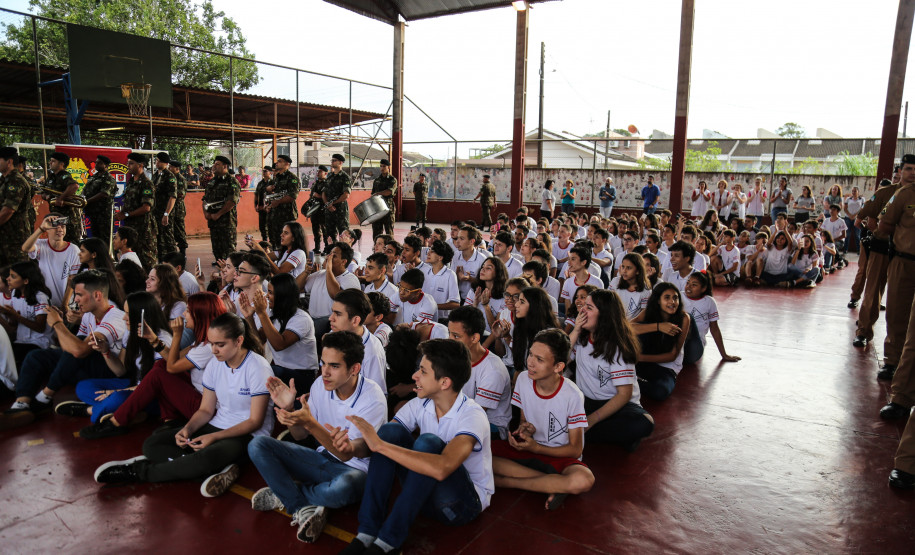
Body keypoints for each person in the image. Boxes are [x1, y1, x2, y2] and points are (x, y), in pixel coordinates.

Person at [93, 313, 274, 498]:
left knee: (205, 458)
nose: (214, 350)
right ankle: (211, 470)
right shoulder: (215, 364)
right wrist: (187, 429)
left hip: (246, 434)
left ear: (239, 341)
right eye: (211, 343)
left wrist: (213, 436)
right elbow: (205, 410)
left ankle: (140, 471)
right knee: (152, 444)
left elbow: (254, 421)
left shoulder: (257, 367)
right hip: (218, 424)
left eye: (220, 345)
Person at [339, 338, 493, 555]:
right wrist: (350, 446)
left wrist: (379, 445)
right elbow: (381, 443)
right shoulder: (420, 404)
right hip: (423, 497)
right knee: (389, 432)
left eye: (423, 371)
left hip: (460, 506)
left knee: (427, 442)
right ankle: (366, 532)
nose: (414, 377)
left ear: (445, 383)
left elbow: (442, 467)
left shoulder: (471, 415)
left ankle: (388, 543)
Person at [248, 330, 387, 543]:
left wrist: (310, 423)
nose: (325, 372)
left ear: (355, 369)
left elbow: (348, 455)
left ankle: (286, 494)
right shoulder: (320, 386)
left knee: (343, 488)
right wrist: (291, 411)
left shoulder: (372, 397)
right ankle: (303, 504)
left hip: (354, 470)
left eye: (334, 366)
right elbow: (300, 435)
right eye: (323, 363)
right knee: (258, 445)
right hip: (320, 459)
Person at [78, 291, 226, 439]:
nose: (184, 315)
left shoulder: (208, 347)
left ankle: (113, 420)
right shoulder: (200, 342)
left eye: (188, 311)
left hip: (204, 407)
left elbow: (172, 367)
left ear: (200, 315)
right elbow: (168, 362)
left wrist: (176, 335)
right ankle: (169, 419)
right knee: (160, 366)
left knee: (158, 372)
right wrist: (152, 340)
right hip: (192, 396)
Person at [1, 270, 127, 430]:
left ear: (97, 295)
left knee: (80, 344)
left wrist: (57, 324)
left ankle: (44, 397)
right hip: (85, 363)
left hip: (110, 370)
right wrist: (60, 327)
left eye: (79, 295)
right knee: (36, 356)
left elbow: (79, 350)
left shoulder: (115, 317)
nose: (75, 300)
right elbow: (70, 348)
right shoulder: (88, 315)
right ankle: (21, 405)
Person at [490, 328, 593, 510]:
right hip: (530, 452)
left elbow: (575, 450)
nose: (530, 363)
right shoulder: (523, 379)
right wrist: (525, 429)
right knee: (479, 453)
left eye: (539, 360)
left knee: (583, 479)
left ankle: (511, 482)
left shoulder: (572, 395)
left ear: (558, 367)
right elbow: (524, 421)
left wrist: (537, 447)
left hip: (557, 456)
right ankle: (552, 484)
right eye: (531, 355)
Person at [56, 291, 171, 423]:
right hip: (134, 385)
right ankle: (123, 411)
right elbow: (120, 370)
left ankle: (90, 410)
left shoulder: (163, 340)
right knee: (84, 386)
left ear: (142, 315)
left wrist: (116, 391)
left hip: (152, 395)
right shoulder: (131, 333)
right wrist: (105, 351)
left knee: (117, 398)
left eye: (128, 314)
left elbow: (152, 386)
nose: (124, 318)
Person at [569, 290, 654, 451]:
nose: (582, 311)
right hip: (587, 401)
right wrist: (576, 330)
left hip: (617, 404)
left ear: (604, 315)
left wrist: (592, 420)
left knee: (644, 422)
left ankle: (584, 433)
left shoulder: (617, 347)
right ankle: (599, 435)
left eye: (589, 307)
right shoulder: (581, 337)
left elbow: (624, 394)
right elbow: (560, 360)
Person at [877, 155, 915, 419]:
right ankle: (893, 364)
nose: (912, 174)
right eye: (909, 169)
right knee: (898, 314)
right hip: (904, 261)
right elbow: (883, 224)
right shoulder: (900, 195)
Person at [242, 273, 318, 396]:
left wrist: (262, 314)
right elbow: (259, 340)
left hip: (303, 375)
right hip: (282, 371)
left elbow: (279, 344)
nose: (267, 296)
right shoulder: (275, 316)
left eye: (271, 293)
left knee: (267, 371)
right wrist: (249, 317)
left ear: (282, 296)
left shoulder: (301, 318)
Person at [447, 306, 512, 440]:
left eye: (456, 336)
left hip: (490, 426)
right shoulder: (454, 357)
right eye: (449, 333)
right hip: (461, 416)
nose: (449, 339)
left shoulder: (493, 370)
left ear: (475, 338)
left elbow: (476, 414)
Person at [852, 177, 898, 351]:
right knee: (872, 290)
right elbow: (865, 219)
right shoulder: (886, 193)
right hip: (882, 247)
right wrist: (883, 233)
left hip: (908, 252)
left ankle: (897, 346)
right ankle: (863, 331)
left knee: (901, 298)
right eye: (908, 168)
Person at [632, 283, 690, 401]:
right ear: (658, 300)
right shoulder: (648, 312)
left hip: (665, 367)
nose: (672, 302)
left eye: (675, 297)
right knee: (640, 328)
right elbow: (627, 328)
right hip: (644, 361)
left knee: (660, 391)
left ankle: (632, 382)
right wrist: (658, 326)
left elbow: (672, 356)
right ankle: (631, 379)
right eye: (667, 298)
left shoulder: (684, 318)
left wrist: (638, 358)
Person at [328, 289, 388, 392]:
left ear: (355, 320)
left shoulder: (372, 351)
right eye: (332, 312)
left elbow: (377, 395)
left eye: (338, 314)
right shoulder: (333, 334)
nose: (330, 318)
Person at [300, 242, 361, 339]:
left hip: (330, 323)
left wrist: (328, 268)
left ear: (343, 262)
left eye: (334, 256)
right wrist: (306, 272)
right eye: (330, 254)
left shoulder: (350, 279)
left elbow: (336, 295)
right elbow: (297, 288)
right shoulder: (320, 274)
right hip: (312, 319)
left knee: (303, 331)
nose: (328, 257)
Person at [22, 214, 80, 307]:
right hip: (45, 303)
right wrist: (41, 228)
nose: (60, 229)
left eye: (63, 226)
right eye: (55, 226)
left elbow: (73, 279)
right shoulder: (41, 244)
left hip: (67, 305)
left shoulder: (73, 250)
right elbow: (25, 248)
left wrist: (64, 304)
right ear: (47, 229)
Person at [2, 260, 53, 365]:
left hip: (39, 342)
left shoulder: (40, 297)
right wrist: (9, 314)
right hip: (21, 341)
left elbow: (40, 327)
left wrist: (16, 316)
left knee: (10, 357)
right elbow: (14, 325)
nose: (8, 279)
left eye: (13, 276)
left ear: (26, 281)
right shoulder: (15, 294)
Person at [683, 272, 740, 363]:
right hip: (677, 343)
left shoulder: (709, 302)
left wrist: (724, 354)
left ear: (703, 288)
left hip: (694, 348)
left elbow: (714, 329)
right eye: (688, 283)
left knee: (688, 318)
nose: (688, 287)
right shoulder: (679, 297)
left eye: (694, 285)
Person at [114, 153, 157, 271]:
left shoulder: (146, 183)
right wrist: (120, 213)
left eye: (131, 163)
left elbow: (146, 207)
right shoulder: (131, 182)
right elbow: (128, 204)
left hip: (143, 229)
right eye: (128, 163)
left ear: (140, 165)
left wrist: (126, 215)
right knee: (132, 262)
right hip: (131, 228)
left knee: (146, 262)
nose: (128, 166)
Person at [201, 155, 240, 261]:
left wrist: (218, 214)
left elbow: (232, 201)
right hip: (213, 223)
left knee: (229, 251)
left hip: (226, 223)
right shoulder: (212, 182)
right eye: (215, 164)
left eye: (217, 164)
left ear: (225, 166)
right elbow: (205, 199)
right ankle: (221, 274)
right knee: (217, 250)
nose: (214, 166)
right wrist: (206, 213)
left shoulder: (232, 182)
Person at [0, 147, 32, 266]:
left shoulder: (16, 181)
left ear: (9, 162)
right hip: (4, 237)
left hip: (15, 238)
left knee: (17, 273)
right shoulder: (4, 180)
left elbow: (8, 211)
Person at [42, 151, 83, 243]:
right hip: (56, 215)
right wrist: (46, 196)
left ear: (61, 164)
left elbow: (74, 186)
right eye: (50, 161)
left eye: (53, 161)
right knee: (59, 241)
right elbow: (44, 192)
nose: (50, 163)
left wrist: (60, 198)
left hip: (67, 216)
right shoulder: (51, 177)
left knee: (70, 242)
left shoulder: (64, 176)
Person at [81, 154, 117, 249]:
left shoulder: (109, 178)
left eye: (99, 163)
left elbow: (104, 193)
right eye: (96, 162)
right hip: (93, 213)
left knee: (104, 239)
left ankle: (106, 260)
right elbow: (85, 190)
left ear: (106, 166)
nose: (96, 164)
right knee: (95, 238)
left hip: (104, 214)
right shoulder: (93, 177)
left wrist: (87, 201)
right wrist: (82, 197)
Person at [463, 257, 508, 333]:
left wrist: (486, 306)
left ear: (498, 272)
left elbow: (497, 329)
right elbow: (464, 320)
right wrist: (475, 304)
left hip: (492, 338)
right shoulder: (475, 290)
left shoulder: (504, 296)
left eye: (488, 268)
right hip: (472, 333)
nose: (483, 270)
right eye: (482, 267)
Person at [266, 155, 299, 254]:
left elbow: (293, 196)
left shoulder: (292, 178)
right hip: (275, 214)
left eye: (280, 161)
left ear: (287, 164)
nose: (277, 163)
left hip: (287, 215)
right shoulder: (277, 178)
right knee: (276, 240)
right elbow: (275, 195)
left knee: (289, 242)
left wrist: (278, 202)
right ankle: (279, 261)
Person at [423, 239, 460, 321]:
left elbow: (455, 304)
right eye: (429, 249)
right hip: (423, 317)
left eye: (432, 251)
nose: (428, 253)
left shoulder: (450, 275)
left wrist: (434, 306)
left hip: (441, 320)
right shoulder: (424, 272)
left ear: (440, 257)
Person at [560, 246, 602, 315]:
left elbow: (599, 309)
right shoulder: (568, 282)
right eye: (569, 259)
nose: (569, 262)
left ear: (583, 262)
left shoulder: (597, 282)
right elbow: (568, 311)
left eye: (573, 259)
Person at [152, 152, 178, 260]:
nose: (156, 162)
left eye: (158, 161)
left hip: (165, 212)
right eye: (156, 160)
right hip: (156, 212)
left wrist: (166, 213)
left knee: (168, 239)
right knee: (158, 239)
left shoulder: (170, 176)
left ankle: (175, 261)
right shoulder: (156, 175)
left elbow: (172, 197)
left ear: (165, 163)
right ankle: (162, 260)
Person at [452, 225, 488, 302]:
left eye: (462, 239)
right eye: (458, 238)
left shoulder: (482, 259)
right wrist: (456, 276)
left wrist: (470, 279)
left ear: (471, 241)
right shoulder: (455, 255)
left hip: (474, 300)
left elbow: (485, 284)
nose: (457, 241)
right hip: (457, 298)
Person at [611, 253, 651, 319]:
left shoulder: (646, 290)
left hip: (633, 325)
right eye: (623, 267)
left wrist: (627, 325)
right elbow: (608, 303)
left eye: (629, 268)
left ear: (638, 271)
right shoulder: (615, 282)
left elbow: (642, 315)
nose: (624, 271)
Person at [323, 153, 352, 243]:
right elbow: (324, 192)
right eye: (332, 160)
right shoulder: (330, 177)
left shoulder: (345, 177)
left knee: (344, 235)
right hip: (329, 210)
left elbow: (346, 195)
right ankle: (331, 252)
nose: (332, 162)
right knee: (330, 235)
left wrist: (333, 203)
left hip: (340, 211)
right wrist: (327, 204)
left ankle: (344, 254)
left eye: (334, 160)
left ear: (340, 163)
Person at [371, 159, 397, 237]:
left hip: (388, 208)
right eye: (381, 166)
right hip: (377, 209)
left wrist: (378, 193)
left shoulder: (392, 180)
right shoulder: (377, 180)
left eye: (384, 166)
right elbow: (373, 193)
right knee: (376, 231)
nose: (382, 168)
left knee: (389, 231)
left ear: (388, 167)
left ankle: (391, 248)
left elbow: (389, 191)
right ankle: (377, 248)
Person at [169, 159, 189, 257]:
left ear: (176, 168)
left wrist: (170, 196)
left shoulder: (181, 179)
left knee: (180, 231)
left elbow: (180, 194)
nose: (169, 168)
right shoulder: (169, 178)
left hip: (178, 209)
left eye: (171, 167)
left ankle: (183, 252)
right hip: (170, 209)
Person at [254, 165, 274, 243]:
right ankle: (264, 240)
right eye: (263, 171)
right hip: (261, 207)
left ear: (270, 173)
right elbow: (256, 194)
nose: (264, 172)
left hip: (270, 208)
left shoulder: (273, 182)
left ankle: (272, 242)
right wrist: (256, 205)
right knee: (262, 225)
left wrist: (269, 206)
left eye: (265, 171)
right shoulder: (260, 183)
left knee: (270, 226)